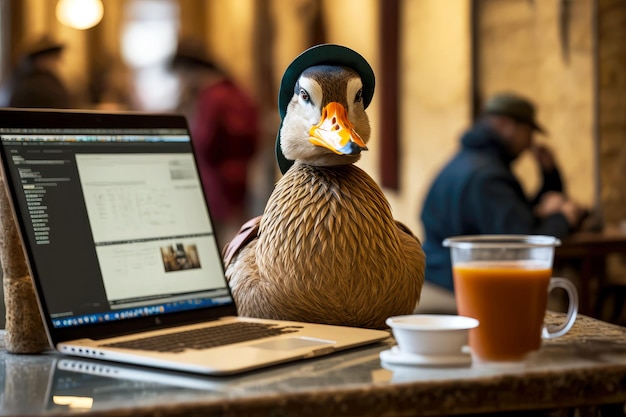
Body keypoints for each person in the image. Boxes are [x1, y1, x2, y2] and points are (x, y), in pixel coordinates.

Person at [419, 92, 585, 296]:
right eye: (528, 132)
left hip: (438, 277)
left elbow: (515, 215)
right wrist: (564, 218)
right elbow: (523, 249)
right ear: (506, 125)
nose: (530, 142)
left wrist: (549, 174)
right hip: (459, 289)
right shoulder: (488, 178)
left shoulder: (468, 161)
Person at [170, 39, 260, 249]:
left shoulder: (211, 98)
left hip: (216, 182)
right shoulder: (236, 90)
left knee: (220, 241)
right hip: (240, 177)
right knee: (239, 234)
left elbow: (203, 143)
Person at [5, 35, 73, 108]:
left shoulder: (48, 80)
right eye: (52, 57)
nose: (57, 61)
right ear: (40, 59)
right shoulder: (36, 85)